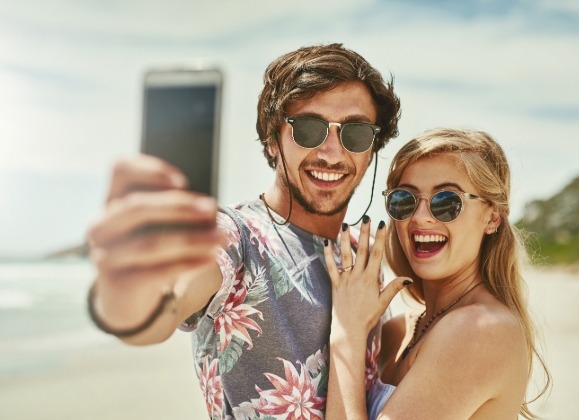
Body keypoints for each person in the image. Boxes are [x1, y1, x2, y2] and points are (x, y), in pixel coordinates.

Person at [86, 43, 401, 418]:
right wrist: (127, 289)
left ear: (372, 148)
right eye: (309, 129)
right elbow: (164, 306)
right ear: (272, 140)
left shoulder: (359, 255)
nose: (332, 153)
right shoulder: (236, 235)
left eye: (356, 134)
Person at [323, 127, 551, 419]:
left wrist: (348, 333)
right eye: (404, 200)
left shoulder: (480, 329)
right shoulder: (397, 332)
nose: (420, 217)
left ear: (492, 217)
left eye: (446, 202)